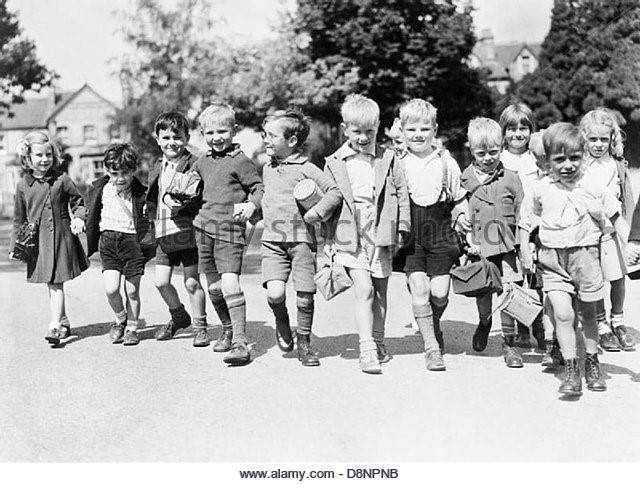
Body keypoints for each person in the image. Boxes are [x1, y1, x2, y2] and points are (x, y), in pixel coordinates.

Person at [520, 122, 630, 395]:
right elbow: (526, 221)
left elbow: (616, 216)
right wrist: (524, 248)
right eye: (559, 159)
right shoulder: (540, 188)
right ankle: (571, 369)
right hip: (552, 259)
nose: (567, 165)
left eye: (574, 158)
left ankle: (591, 362)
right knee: (563, 313)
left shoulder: (592, 185)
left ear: (583, 155)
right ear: (547, 160)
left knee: (588, 315)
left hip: (586, 257)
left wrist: (630, 244)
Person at [324, 94, 410, 374]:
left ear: (378, 128)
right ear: (345, 128)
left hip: (381, 229)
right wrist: (326, 240)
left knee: (381, 291)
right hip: (350, 231)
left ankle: (379, 339)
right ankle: (367, 348)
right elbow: (329, 201)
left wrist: (402, 228)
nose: (363, 138)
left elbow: (402, 194)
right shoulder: (335, 161)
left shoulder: (388, 158)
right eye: (357, 131)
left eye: (369, 132)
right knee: (364, 289)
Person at [260, 109, 342, 366]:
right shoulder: (267, 169)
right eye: (265, 135)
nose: (265, 140)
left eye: (271, 136)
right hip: (272, 242)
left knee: (305, 295)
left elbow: (334, 191)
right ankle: (282, 321)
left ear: (292, 141)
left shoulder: (307, 168)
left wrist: (317, 211)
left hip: (302, 242)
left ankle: (304, 343)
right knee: (275, 293)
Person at [395, 99, 469, 370]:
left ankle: (432, 322)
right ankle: (431, 347)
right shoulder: (398, 163)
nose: (418, 135)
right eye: (411, 129)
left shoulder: (446, 163)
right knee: (420, 288)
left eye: (425, 129)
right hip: (411, 231)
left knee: (439, 293)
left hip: (439, 229)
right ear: (402, 131)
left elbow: (460, 198)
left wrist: (463, 217)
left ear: (434, 130)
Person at [192, 103, 264, 365]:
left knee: (230, 284)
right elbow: (190, 190)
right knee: (212, 287)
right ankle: (227, 328)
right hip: (204, 229)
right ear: (202, 134)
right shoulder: (201, 163)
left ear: (234, 130)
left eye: (222, 131)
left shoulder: (242, 162)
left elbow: (259, 189)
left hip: (230, 231)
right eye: (210, 133)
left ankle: (240, 342)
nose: (217, 137)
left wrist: (252, 204)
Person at [10, 131, 89, 345]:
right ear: (28, 158)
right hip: (39, 242)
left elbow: (78, 202)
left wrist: (79, 218)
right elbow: (19, 218)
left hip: (62, 239)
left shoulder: (62, 180)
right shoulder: (22, 186)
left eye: (48, 155)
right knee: (51, 283)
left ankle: (54, 325)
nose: (44, 159)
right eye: (39, 155)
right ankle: (63, 320)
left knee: (56, 283)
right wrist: (15, 246)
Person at [460, 117, 525, 368]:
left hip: (508, 245)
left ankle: (509, 344)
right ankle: (485, 321)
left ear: (502, 146)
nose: (488, 158)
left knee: (509, 293)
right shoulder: (465, 179)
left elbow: (522, 211)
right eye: (481, 153)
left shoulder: (511, 177)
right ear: (471, 150)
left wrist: (524, 244)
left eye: (494, 152)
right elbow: (458, 206)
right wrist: (461, 222)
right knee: (484, 293)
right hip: (480, 245)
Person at [147, 112, 208, 347]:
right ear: (158, 139)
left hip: (187, 230)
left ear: (187, 137)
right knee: (161, 282)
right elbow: (151, 197)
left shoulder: (194, 163)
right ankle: (179, 317)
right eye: (166, 137)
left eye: (177, 137)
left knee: (192, 282)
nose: (172, 142)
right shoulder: (157, 166)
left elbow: (201, 195)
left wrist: (185, 203)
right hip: (163, 231)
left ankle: (200, 326)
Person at [84, 143, 154, 346]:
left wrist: (148, 245)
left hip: (132, 243)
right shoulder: (100, 189)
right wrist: (80, 219)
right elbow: (86, 209)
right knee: (111, 289)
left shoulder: (141, 193)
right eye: (115, 173)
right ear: (107, 171)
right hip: (108, 242)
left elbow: (150, 220)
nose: (120, 178)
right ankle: (120, 319)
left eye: (125, 172)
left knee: (132, 290)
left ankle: (132, 327)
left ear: (133, 170)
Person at [580, 108, 636, 352]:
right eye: (593, 139)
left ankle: (618, 320)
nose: (599, 144)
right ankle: (602, 326)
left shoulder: (617, 166)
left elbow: (628, 201)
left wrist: (631, 238)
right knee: (596, 280)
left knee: (617, 278)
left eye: (604, 139)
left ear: (612, 138)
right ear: (584, 139)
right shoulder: (580, 165)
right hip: (588, 232)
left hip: (612, 231)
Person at [498, 103, 545, 349]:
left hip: (535, 226)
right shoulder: (499, 159)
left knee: (535, 278)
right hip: (508, 226)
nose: (518, 134)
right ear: (503, 132)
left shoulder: (536, 158)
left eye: (523, 128)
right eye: (512, 128)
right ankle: (517, 329)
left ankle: (536, 326)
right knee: (513, 278)